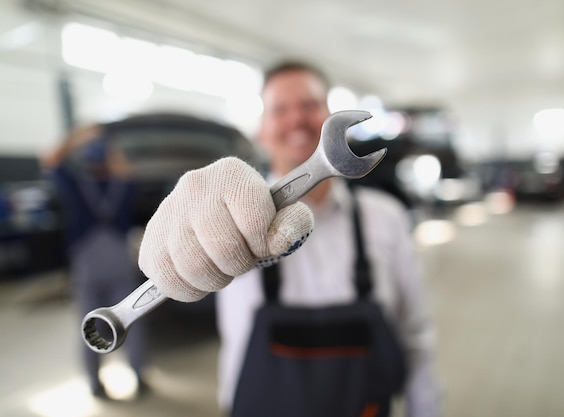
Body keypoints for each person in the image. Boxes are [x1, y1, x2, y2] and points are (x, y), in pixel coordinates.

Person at [137, 61, 440, 416]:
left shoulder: (385, 217)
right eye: (280, 109)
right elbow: (191, 223)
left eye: (310, 105)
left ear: (329, 116)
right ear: (262, 132)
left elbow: (415, 338)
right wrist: (181, 224)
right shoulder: (231, 219)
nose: (297, 119)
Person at [41, 124, 148, 400]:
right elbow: (52, 160)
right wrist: (95, 143)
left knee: (102, 323)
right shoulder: (104, 183)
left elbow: (51, 160)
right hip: (106, 263)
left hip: (100, 263)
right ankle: (118, 379)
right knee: (116, 321)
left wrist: (79, 140)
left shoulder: (84, 183)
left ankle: (111, 380)